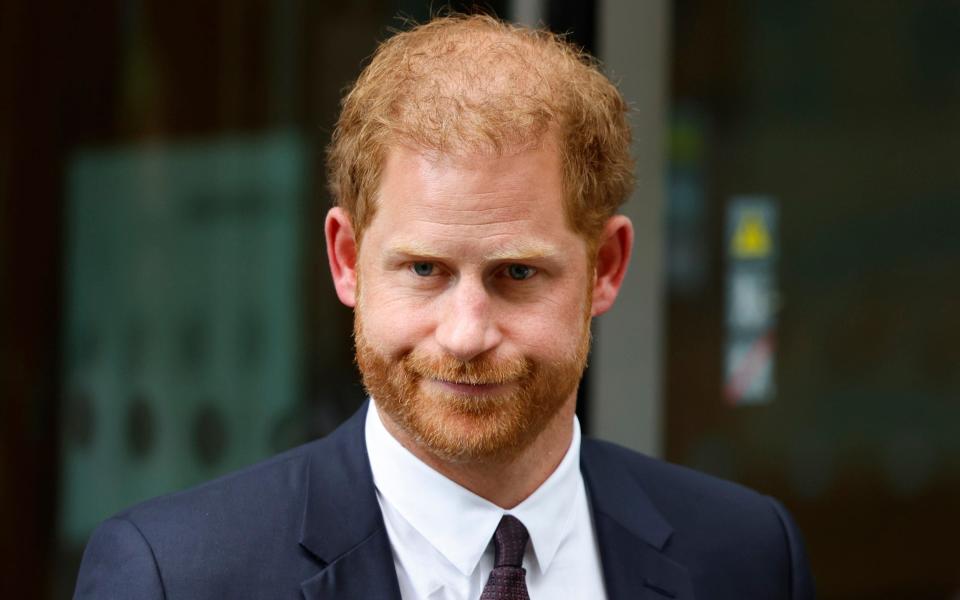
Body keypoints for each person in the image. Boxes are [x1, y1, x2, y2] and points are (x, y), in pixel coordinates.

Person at [74, 14, 813, 600]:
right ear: (347, 259)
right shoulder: (176, 579)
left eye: (517, 273)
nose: (465, 334)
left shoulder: (747, 557)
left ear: (606, 268)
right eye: (424, 269)